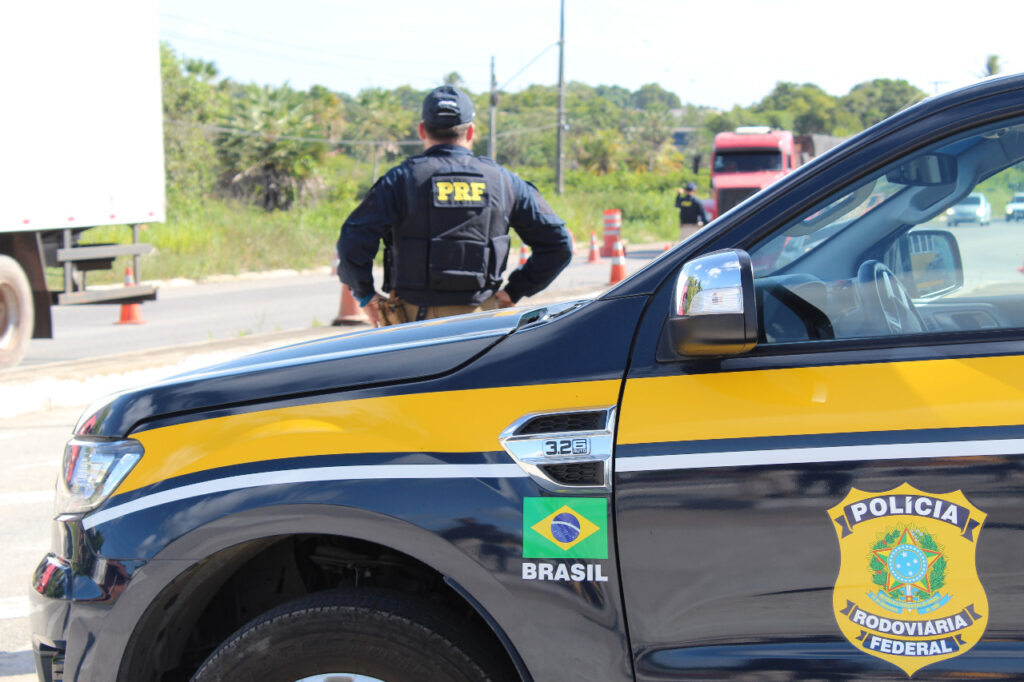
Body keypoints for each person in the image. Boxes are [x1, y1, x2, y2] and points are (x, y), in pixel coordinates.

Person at [337, 85, 573, 327]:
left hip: (411, 324)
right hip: (485, 323)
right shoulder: (504, 181)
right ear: (471, 132)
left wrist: (365, 296)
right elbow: (559, 245)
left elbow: (352, 240)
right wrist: (515, 290)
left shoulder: (400, 179)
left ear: (421, 130)